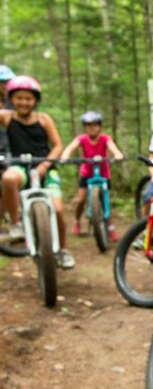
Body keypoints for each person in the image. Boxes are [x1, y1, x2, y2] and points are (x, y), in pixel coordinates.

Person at [0, 76, 73, 268]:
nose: (24, 102)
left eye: (28, 98)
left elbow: (57, 146)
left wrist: (44, 166)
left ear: (35, 100)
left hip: (46, 168)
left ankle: (63, 250)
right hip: (20, 167)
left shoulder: (44, 119)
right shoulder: (7, 117)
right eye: (19, 98)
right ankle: (16, 225)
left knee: (57, 210)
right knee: (8, 178)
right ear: (11, 99)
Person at [61, 111, 124, 240]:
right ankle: (77, 220)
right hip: (87, 174)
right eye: (88, 125)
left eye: (95, 125)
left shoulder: (105, 138)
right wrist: (65, 156)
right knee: (81, 199)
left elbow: (113, 148)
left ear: (99, 126)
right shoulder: (82, 139)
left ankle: (110, 227)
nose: (92, 128)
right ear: (85, 127)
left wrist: (118, 155)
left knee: (105, 199)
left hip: (103, 174)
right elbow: (70, 148)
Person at [0, 65, 15, 158]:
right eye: (3, 82)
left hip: (11, 149)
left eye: (8, 82)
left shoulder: (14, 102)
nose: (6, 85)